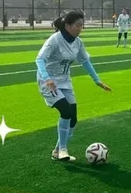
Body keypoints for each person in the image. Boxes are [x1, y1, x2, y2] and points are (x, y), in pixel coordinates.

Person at [35, 10, 112, 162]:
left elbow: (85, 61)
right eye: (78, 25)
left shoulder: (78, 42)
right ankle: (63, 149)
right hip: (49, 82)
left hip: (65, 81)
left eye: (82, 25)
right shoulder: (55, 40)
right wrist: (47, 79)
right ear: (67, 25)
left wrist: (97, 80)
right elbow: (39, 59)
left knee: (73, 119)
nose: (80, 28)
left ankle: (57, 151)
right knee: (66, 111)